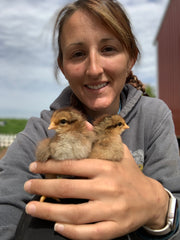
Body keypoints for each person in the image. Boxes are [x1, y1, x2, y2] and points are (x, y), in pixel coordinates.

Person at [0, 0, 180, 239]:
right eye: (78, 54)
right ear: (63, 67)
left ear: (131, 59)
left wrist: (159, 207)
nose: (94, 69)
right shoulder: (41, 129)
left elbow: (175, 201)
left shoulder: (154, 117)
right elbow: (7, 203)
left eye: (108, 49)